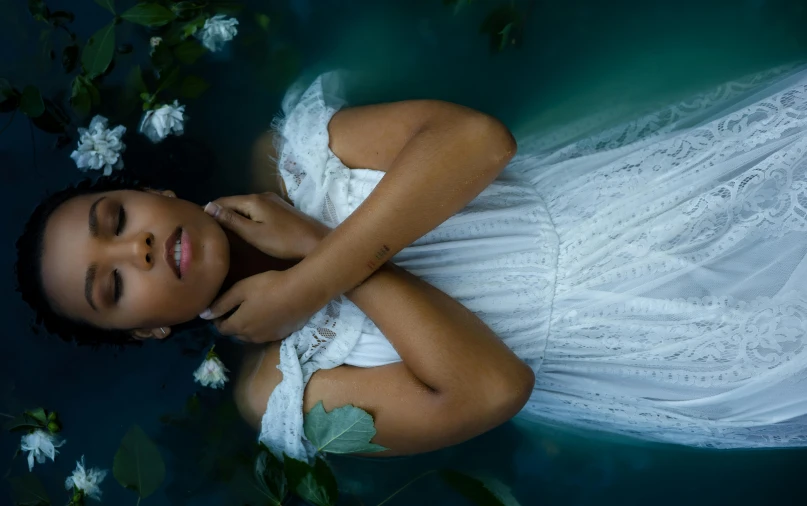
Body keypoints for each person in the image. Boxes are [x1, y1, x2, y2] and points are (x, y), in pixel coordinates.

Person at [16, 64, 807, 463]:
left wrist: (311, 269)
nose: (138, 247)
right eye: (113, 283)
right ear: (149, 333)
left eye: (116, 220)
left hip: (633, 202)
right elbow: (494, 388)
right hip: (624, 346)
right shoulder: (276, 395)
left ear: (150, 189)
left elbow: (478, 143)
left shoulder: (290, 157)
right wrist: (319, 276)